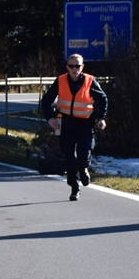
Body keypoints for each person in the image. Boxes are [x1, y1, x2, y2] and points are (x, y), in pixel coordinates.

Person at [40, 53, 108, 200]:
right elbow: (46, 101)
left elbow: (102, 99)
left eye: (77, 66)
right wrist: (50, 118)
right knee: (69, 157)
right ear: (67, 67)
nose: (74, 69)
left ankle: (83, 169)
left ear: (82, 67)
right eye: (71, 66)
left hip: (85, 123)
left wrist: (100, 118)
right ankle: (74, 188)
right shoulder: (61, 80)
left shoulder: (90, 81)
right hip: (66, 123)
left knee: (84, 153)